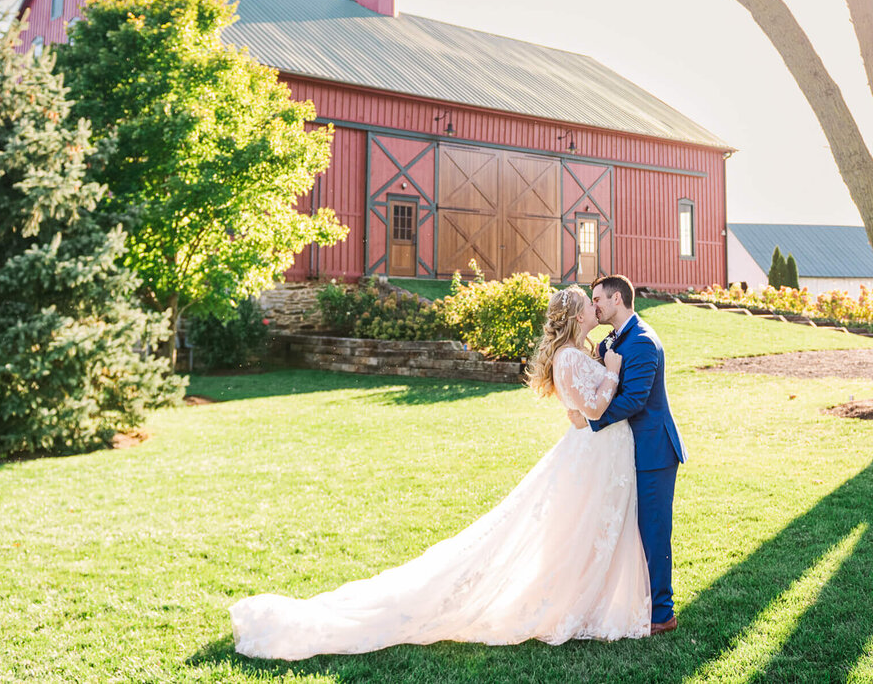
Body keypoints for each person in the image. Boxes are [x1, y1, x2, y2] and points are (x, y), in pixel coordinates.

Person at [229, 285, 651, 660]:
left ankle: (589, 603)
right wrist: (612, 371)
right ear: (578, 315)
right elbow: (590, 412)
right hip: (592, 454)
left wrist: (602, 368)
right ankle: (573, 608)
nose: (597, 307)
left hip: (600, 455)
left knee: (589, 531)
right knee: (576, 531)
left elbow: (579, 416)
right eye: (590, 303)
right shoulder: (570, 357)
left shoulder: (584, 350)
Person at [567, 274, 686, 635]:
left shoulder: (645, 342)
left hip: (654, 450)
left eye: (598, 299)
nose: (595, 305)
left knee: (653, 531)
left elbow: (634, 399)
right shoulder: (613, 339)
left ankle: (661, 614)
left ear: (617, 299)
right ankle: (637, 601)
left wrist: (591, 421)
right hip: (627, 450)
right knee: (628, 530)